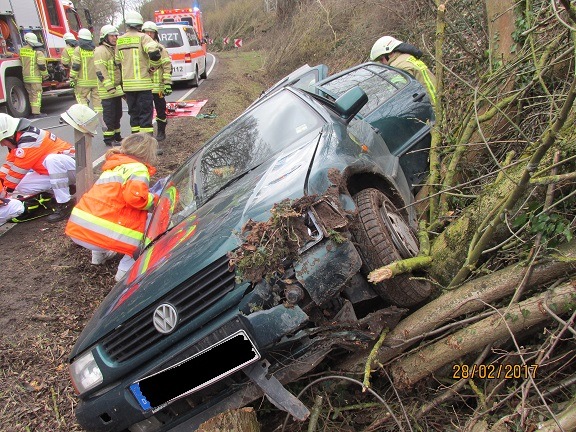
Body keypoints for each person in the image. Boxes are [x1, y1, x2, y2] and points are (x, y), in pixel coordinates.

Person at [65, 133, 159, 281]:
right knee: (148, 234)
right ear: (147, 153)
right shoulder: (138, 169)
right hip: (100, 235)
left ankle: (98, 257)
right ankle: (123, 276)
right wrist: (154, 200)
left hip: (79, 229)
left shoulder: (115, 166)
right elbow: (135, 199)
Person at [0, 113, 76, 223]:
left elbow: (16, 173)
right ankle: (60, 190)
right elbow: (8, 167)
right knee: (22, 185)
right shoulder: (21, 140)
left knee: (52, 160)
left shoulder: (29, 140)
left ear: (9, 135)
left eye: (2, 141)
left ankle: (65, 203)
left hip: (75, 168)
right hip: (61, 171)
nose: (2, 145)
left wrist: (4, 195)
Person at [115, 11, 161, 143]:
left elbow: (117, 63)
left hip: (128, 86)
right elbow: (155, 54)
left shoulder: (120, 40)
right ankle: (147, 146)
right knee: (145, 116)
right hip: (143, 85)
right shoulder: (143, 37)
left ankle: (135, 144)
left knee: (134, 118)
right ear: (140, 24)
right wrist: (153, 67)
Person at [370, 36, 437, 105]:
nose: (382, 63)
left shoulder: (397, 67)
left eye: (381, 59)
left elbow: (400, 95)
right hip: (436, 96)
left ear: (389, 54)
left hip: (430, 104)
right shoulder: (407, 57)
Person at [142, 21, 172, 142]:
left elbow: (166, 65)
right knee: (146, 112)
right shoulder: (141, 48)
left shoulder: (160, 48)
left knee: (160, 109)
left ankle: (161, 131)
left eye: (152, 32)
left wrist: (167, 83)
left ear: (156, 34)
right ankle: (147, 136)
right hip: (144, 86)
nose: (149, 34)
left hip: (158, 86)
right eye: (146, 32)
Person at [94, 24, 125, 146]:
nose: (115, 38)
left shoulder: (113, 49)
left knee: (118, 114)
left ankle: (117, 137)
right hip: (107, 91)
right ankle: (109, 139)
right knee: (109, 116)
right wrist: (109, 87)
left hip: (115, 89)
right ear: (105, 37)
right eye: (112, 36)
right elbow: (101, 71)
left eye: (116, 35)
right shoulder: (100, 51)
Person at [70, 28, 102, 116]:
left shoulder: (78, 50)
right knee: (97, 100)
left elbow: (76, 66)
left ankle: (85, 116)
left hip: (83, 82)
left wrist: (72, 78)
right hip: (95, 81)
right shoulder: (95, 49)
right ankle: (100, 117)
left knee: (81, 98)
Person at [19, 33, 49, 119]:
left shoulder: (22, 50)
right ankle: (36, 113)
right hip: (35, 77)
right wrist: (45, 75)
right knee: (37, 94)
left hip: (26, 77)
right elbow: (42, 66)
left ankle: (33, 111)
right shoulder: (38, 52)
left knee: (31, 94)